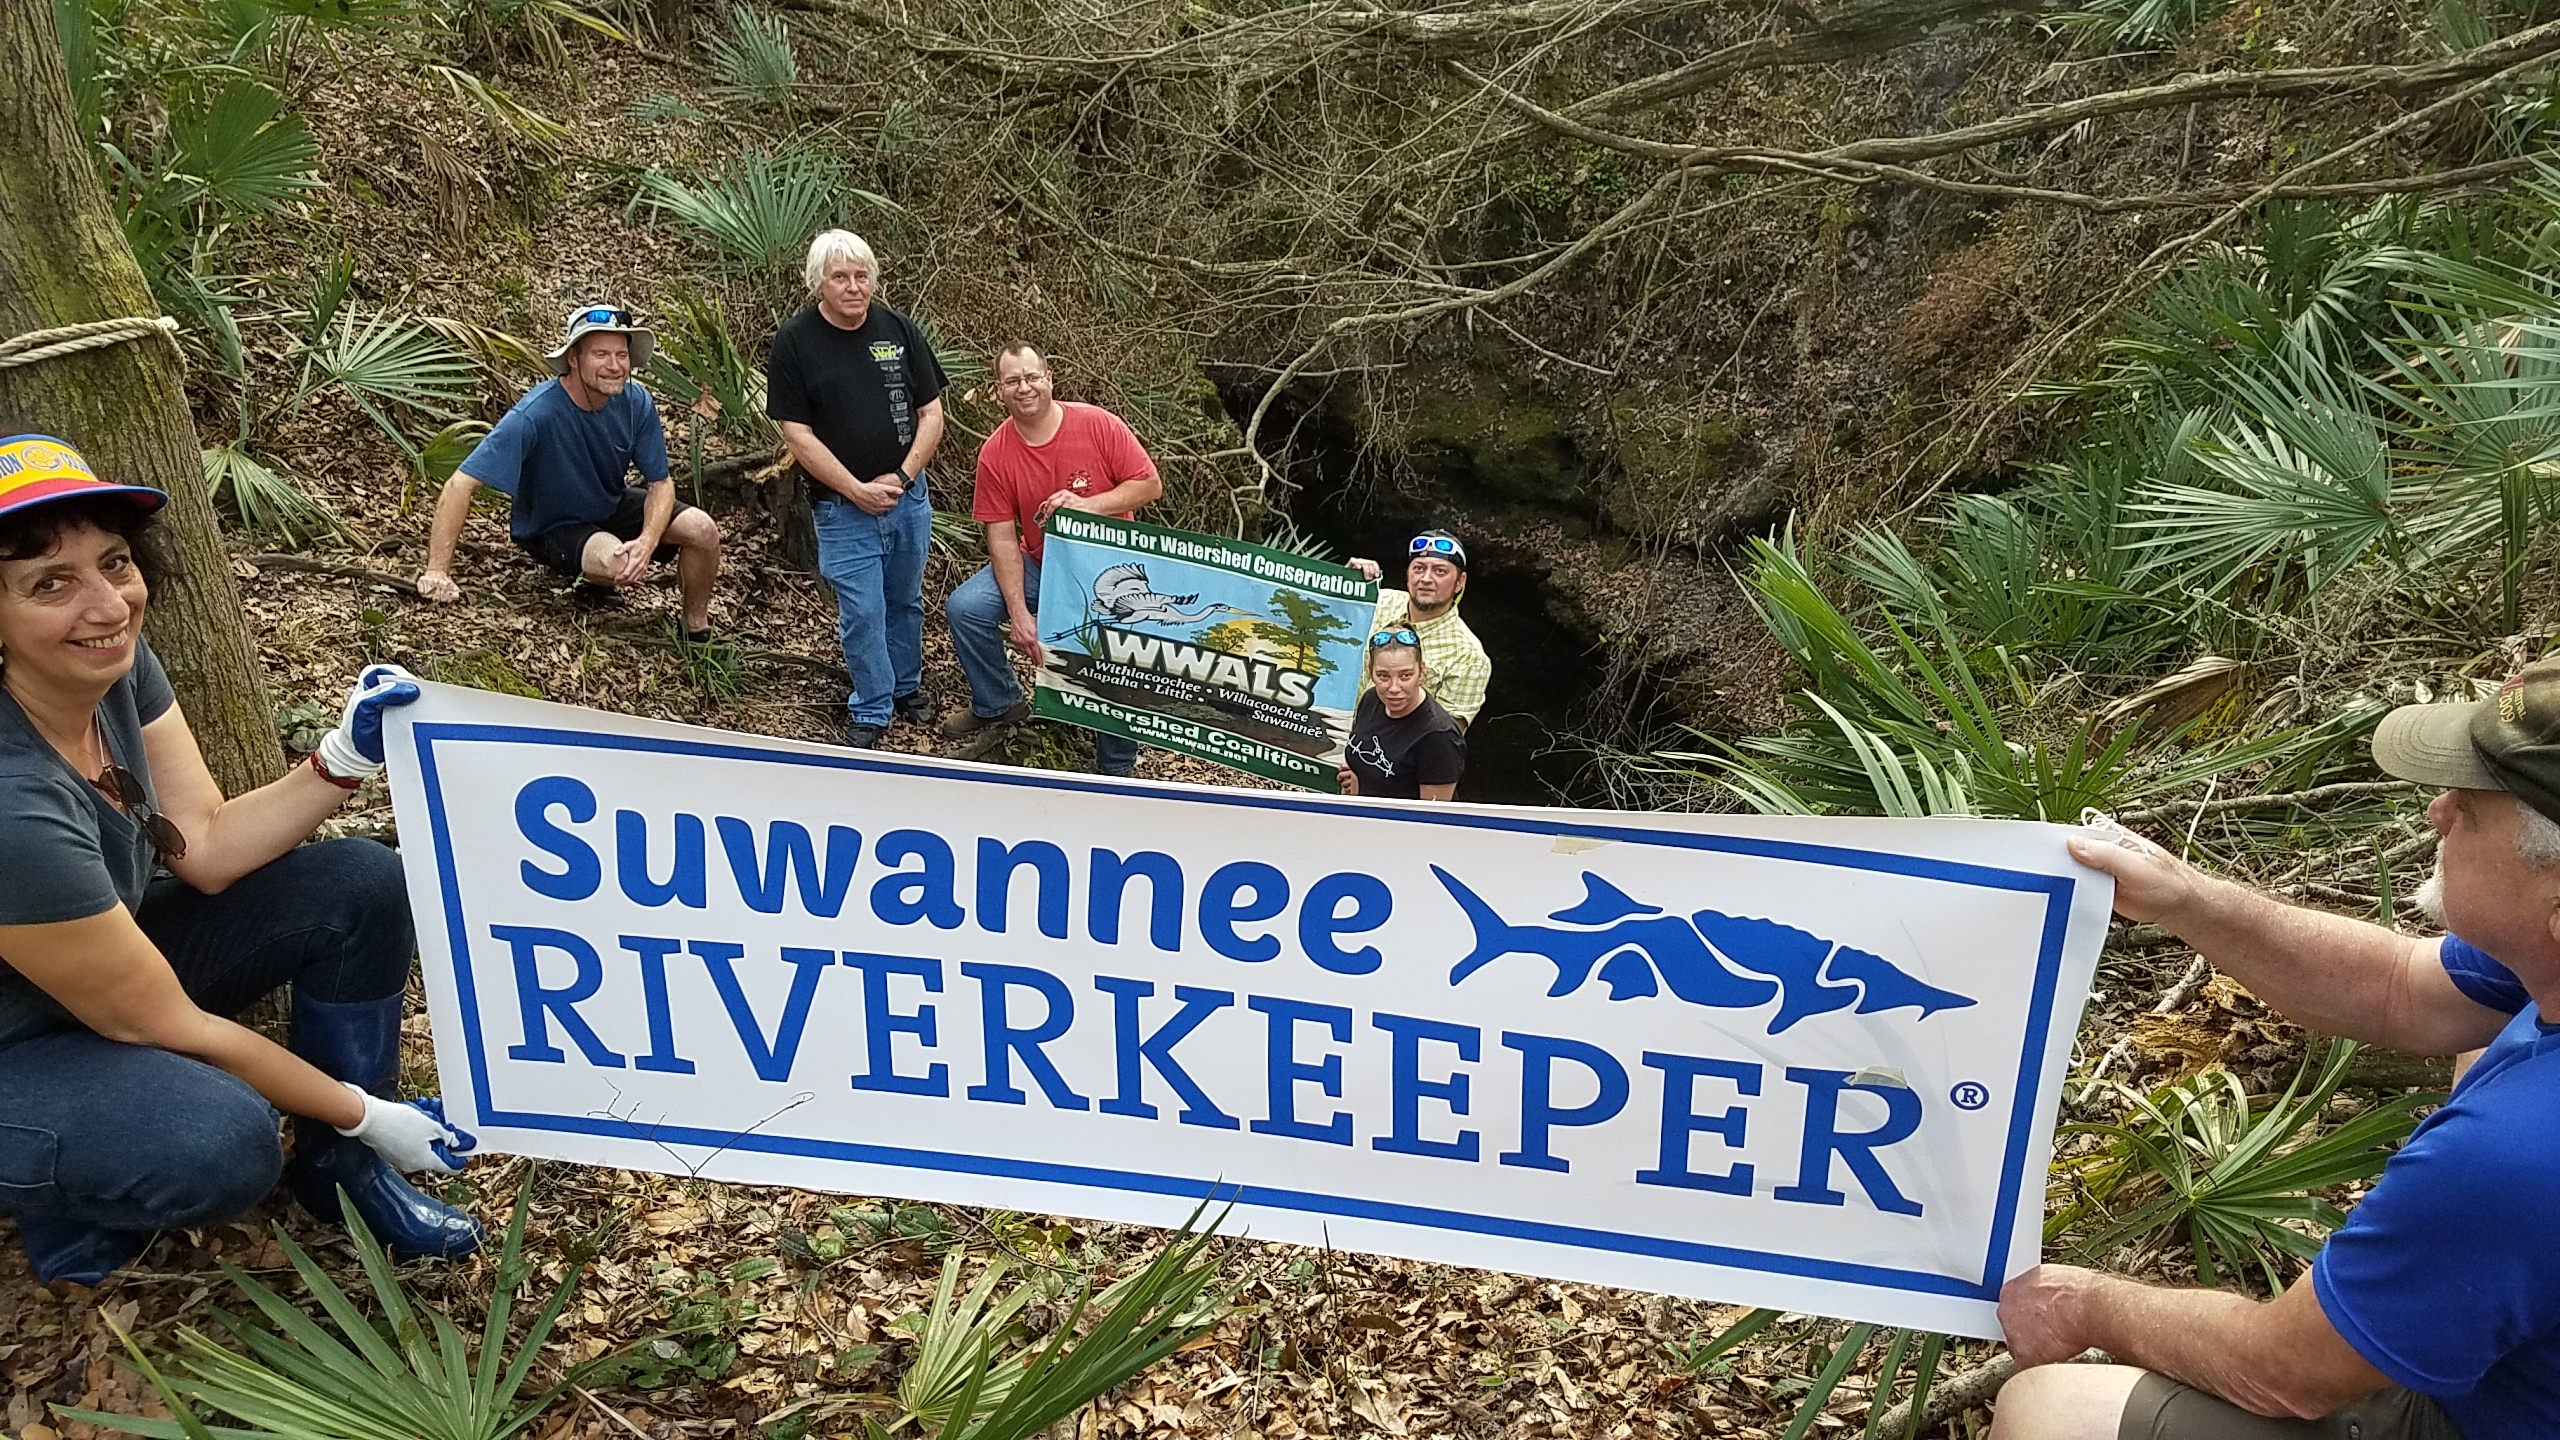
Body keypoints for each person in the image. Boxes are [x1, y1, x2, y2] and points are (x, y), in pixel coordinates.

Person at [1992, 659, 2560, 1440]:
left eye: (2472, 806)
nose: (2436, 813)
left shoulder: (2518, 1155)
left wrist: (2084, 1304)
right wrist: (2186, 898)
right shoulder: (2543, 960)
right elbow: (2402, 987)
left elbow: (2284, 1373)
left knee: (2048, 1411)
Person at [0, 434, 478, 1288]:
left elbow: (208, 848)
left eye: (115, 563)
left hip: (101, 965)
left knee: (362, 882)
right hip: (19, 1039)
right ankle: (57, 1186)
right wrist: (370, 1112)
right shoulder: (11, 802)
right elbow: (157, 1024)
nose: (108, 606)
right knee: (216, 1144)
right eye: (50, 584)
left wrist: (342, 756)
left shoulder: (110, 664)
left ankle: (340, 1169)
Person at [416, 305, 722, 639]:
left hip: (610, 505)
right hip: (555, 525)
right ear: (574, 359)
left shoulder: (637, 402)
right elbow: (460, 484)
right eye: (601, 354)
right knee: (617, 563)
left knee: (703, 530)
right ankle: (589, 578)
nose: (615, 365)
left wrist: (648, 541)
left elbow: (660, 483)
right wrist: (437, 572)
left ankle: (696, 632)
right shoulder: (537, 413)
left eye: (622, 355)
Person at [941, 343, 1160, 776]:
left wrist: (1089, 504)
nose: (1024, 388)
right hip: (1042, 564)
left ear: (1049, 378)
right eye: (1012, 381)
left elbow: (1149, 485)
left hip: (1110, 572)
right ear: (998, 390)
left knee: (1111, 656)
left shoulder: (1097, 424)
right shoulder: (996, 453)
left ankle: (1116, 767)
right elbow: (1001, 535)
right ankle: (998, 702)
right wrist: (1020, 613)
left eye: (1031, 377)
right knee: (966, 609)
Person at [766, 231, 944, 748]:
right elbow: (796, 433)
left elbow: (931, 413)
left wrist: (904, 476)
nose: (852, 287)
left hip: (908, 498)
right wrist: (856, 488)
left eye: (861, 276)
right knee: (863, 610)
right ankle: (872, 705)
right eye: (840, 277)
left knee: (904, 600)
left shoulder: (899, 329)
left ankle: (907, 686)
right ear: (818, 282)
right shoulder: (796, 342)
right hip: (842, 508)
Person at [1346, 529, 1491, 728]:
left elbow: (1444, 740)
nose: (1426, 579)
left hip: (1383, 755)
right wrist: (1345, 583)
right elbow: (1322, 627)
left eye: (1440, 571)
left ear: (1460, 582)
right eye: (1419, 568)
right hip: (1325, 736)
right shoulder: (1378, 601)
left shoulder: (1469, 656)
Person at [1337, 629, 1464, 801]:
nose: (1394, 688)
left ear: (1422, 672)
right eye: (1383, 676)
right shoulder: (1371, 699)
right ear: (1370, 672)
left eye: (1405, 676)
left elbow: (1432, 818)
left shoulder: (1438, 737)